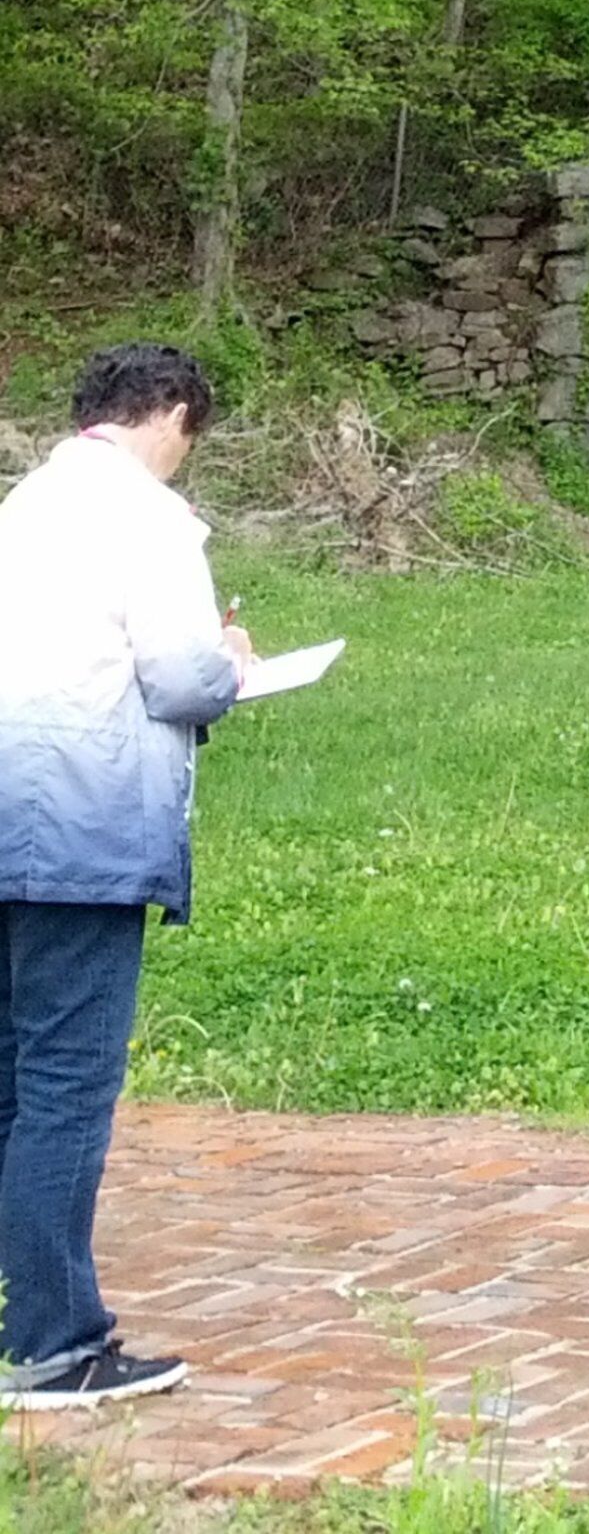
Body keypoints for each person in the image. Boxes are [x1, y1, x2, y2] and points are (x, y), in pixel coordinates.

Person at [0, 344, 252, 1412]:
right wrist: (236, 663)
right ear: (175, 415)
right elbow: (184, 674)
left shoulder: (27, 502)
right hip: (82, 829)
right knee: (64, 1086)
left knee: (11, 1083)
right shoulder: (150, 520)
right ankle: (56, 1344)